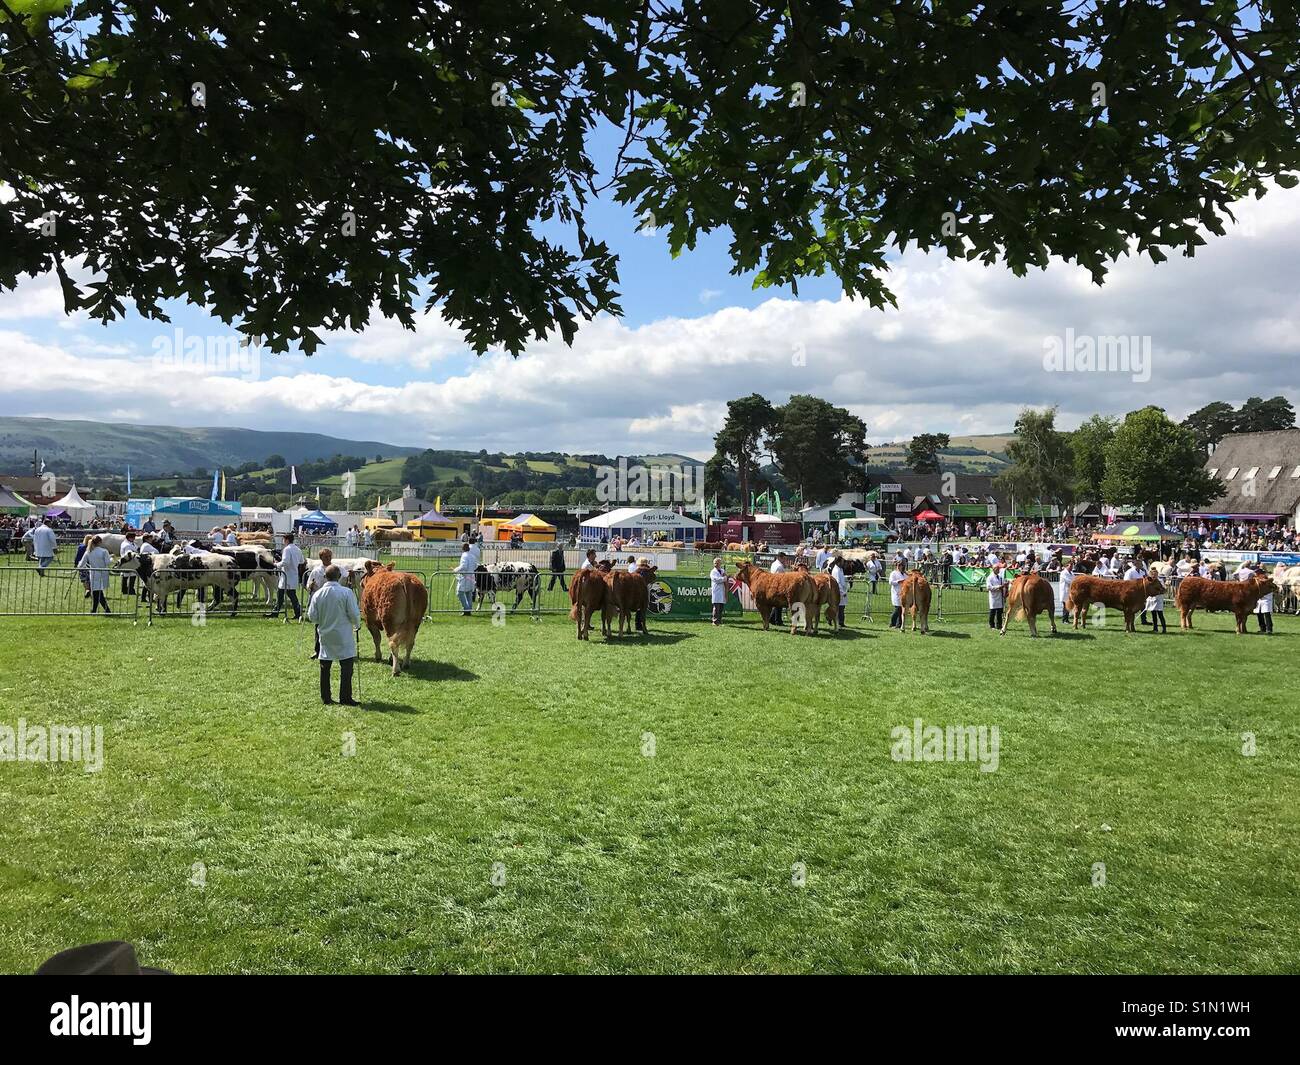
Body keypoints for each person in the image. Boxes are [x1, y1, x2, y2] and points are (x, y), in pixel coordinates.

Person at [307, 565, 361, 706]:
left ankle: (326, 697)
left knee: (325, 667)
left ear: (325, 577)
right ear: (339, 577)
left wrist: (322, 621)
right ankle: (345, 697)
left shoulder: (318, 594)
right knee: (346, 667)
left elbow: (312, 617)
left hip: (325, 634)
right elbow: (354, 613)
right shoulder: (346, 593)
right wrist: (357, 624)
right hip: (343, 635)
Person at [267, 532, 305, 619]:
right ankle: (276, 612)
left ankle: (297, 613)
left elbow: (285, 562)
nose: (283, 541)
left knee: (291, 596)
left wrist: (276, 564)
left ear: (287, 540)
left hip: (287, 575)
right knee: (281, 594)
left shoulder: (287, 549)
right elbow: (302, 561)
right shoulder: (297, 549)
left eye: (284, 539)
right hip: (293, 574)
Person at [304, 549, 334, 656]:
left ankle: (332, 649)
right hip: (320, 601)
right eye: (326, 557)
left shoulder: (335, 569)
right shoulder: (316, 571)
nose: (328, 559)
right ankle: (317, 650)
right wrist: (310, 586)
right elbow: (308, 585)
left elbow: (344, 577)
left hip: (332, 601)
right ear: (321, 558)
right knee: (319, 627)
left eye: (330, 556)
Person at [79, 535, 112, 614]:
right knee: (97, 593)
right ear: (100, 542)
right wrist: (111, 558)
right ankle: (105, 610)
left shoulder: (88, 551)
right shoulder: (104, 551)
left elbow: (81, 564)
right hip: (102, 573)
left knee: (96, 592)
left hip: (93, 573)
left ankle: (95, 610)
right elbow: (107, 563)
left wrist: (78, 567)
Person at [453, 542, 477, 615]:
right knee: (468, 593)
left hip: (465, 577)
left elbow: (464, 566)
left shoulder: (464, 556)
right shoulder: (472, 556)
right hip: (471, 576)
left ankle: (466, 609)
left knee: (459, 593)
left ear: (463, 549)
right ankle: (468, 610)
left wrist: (456, 569)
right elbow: (475, 566)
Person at [769, 552, 788, 627]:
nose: (785, 560)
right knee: (779, 604)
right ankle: (777, 620)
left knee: (777, 604)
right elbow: (781, 577)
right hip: (778, 586)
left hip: (773, 584)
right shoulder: (779, 566)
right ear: (781, 557)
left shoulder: (774, 563)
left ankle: (773, 619)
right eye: (784, 558)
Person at [986, 562, 1007, 630]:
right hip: (993, 597)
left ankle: (999, 625)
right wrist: (998, 587)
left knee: (999, 612)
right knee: (993, 612)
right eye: (997, 569)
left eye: (999, 569)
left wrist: (1005, 585)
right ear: (994, 569)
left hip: (1000, 596)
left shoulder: (1000, 577)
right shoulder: (990, 578)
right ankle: (992, 625)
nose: (999, 570)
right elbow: (989, 587)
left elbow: (1003, 584)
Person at [888, 558, 907, 628]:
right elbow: (890, 582)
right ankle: (892, 622)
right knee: (897, 609)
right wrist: (898, 581)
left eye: (902, 565)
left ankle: (899, 624)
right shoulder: (893, 573)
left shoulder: (905, 574)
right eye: (899, 565)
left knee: (902, 609)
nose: (901, 566)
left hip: (904, 593)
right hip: (896, 592)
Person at [830, 552, 848, 627]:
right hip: (839, 592)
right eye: (842, 562)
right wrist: (842, 592)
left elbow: (841, 580)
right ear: (838, 562)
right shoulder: (836, 571)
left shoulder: (840, 569)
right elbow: (837, 583)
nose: (843, 564)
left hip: (842, 590)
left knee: (841, 607)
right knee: (840, 607)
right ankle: (839, 621)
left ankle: (837, 620)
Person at [709, 556, 728, 625]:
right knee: (716, 607)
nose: (716, 564)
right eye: (715, 563)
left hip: (722, 591)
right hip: (716, 591)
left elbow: (726, 578)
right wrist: (724, 578)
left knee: (721, 607)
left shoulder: (723, 571)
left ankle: (719, 620)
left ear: (720, 563)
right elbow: (716, 579)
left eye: (717, 563)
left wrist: (725, 578)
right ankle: (714, 621)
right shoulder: (713, 572)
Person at [119, 531, 139, 596]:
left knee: (126, 576)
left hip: (128, 562)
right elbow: (129, 554)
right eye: (133, 537)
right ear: (129, 538)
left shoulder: (130, 543)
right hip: (128, 562)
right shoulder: (127, 545)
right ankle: (130, 590)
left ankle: (125, 590)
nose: (134, 539)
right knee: (130, 576)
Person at [1058, 558, 1075, 623]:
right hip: (1065, 591)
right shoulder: (1063, 573)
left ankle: (1066, 619)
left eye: (1072, 566)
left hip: (1070, 592)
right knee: (1065, 606)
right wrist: (1075, 583)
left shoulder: (1072, 573)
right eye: (1070, 566)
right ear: (1067, 566)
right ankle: (1064, 620)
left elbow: (1074, 579)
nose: (1071, 567)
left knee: (1069, 605)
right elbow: (1069, 581)